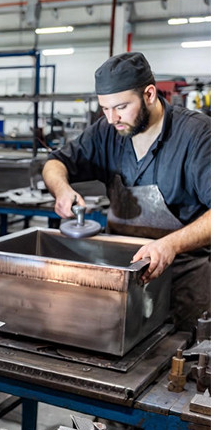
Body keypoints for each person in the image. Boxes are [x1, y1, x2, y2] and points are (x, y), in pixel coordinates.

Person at [42, 52, 210, 331]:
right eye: (104, 109)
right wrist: (62, 190)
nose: (111, 118)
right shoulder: (107, 131)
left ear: (149, 94)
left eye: (120, 107)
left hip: (183, 283)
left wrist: (170, 244)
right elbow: (55, 162)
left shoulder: (197, 136)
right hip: (122, 278)